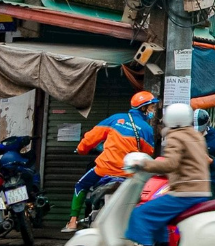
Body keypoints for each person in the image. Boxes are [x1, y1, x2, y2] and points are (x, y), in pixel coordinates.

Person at [121, 103, 212, 246]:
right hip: (201, 191)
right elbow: (195, 161)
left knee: (140, 213)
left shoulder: (176, 136)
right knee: (159, 217)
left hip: (185, 192)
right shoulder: (195, 135)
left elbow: (170, 164)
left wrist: (144, 165)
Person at [63, 91, 157, 232]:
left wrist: (81, 149)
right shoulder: (146, 129)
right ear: (143, 108)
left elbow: (91, 137)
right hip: (128, 174)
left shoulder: (115, 119)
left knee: (81, 185)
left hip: (104, 169)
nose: (153, 110)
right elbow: (148, 153)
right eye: (151, 107)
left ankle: (72, 222)